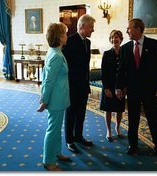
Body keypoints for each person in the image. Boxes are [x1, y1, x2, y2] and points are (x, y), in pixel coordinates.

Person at [116, 18, 157, 155]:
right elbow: (122, 69)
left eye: (129, 28)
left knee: (153, 118)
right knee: (133, 119)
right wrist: (118, 87)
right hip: (133, 90)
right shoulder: (125, 48)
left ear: (138, 29)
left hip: (150, 90)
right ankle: (133, 145)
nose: (127, 31)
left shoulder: (155, 45)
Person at [37, 22, 71, 171]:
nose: (67, 36)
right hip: (55, 99)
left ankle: (57, 152)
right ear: (59, 37)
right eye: (65, 33)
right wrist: (44, 100)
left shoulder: (55, 51)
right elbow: (49, 80)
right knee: (53, 129)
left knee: (56, 128)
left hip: (59, 97)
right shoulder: (56, 55)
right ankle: (49, 161)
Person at [62, 14, 96, 153]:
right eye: (91, 27)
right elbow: (65, 66)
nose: (93, 30)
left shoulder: (87, 42)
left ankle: (78, 136)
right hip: (71, 86)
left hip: (83, 86)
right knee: (71, 114)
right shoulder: (69, 41)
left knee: (81, 113)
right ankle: (69, 140)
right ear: (82, 27)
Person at [100, 30, 126, 142]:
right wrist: (106, 88)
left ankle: (117, 127)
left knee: (120, 109)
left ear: (120, 39)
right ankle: (109, 130)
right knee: (108, 109)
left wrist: (125, 88)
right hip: (108, 86)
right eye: (112, 38)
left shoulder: (125, 53)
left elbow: (127, 72)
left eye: (116, 37)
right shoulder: (106, 54)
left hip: (120, 87)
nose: (114, 39)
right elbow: (103, 73)